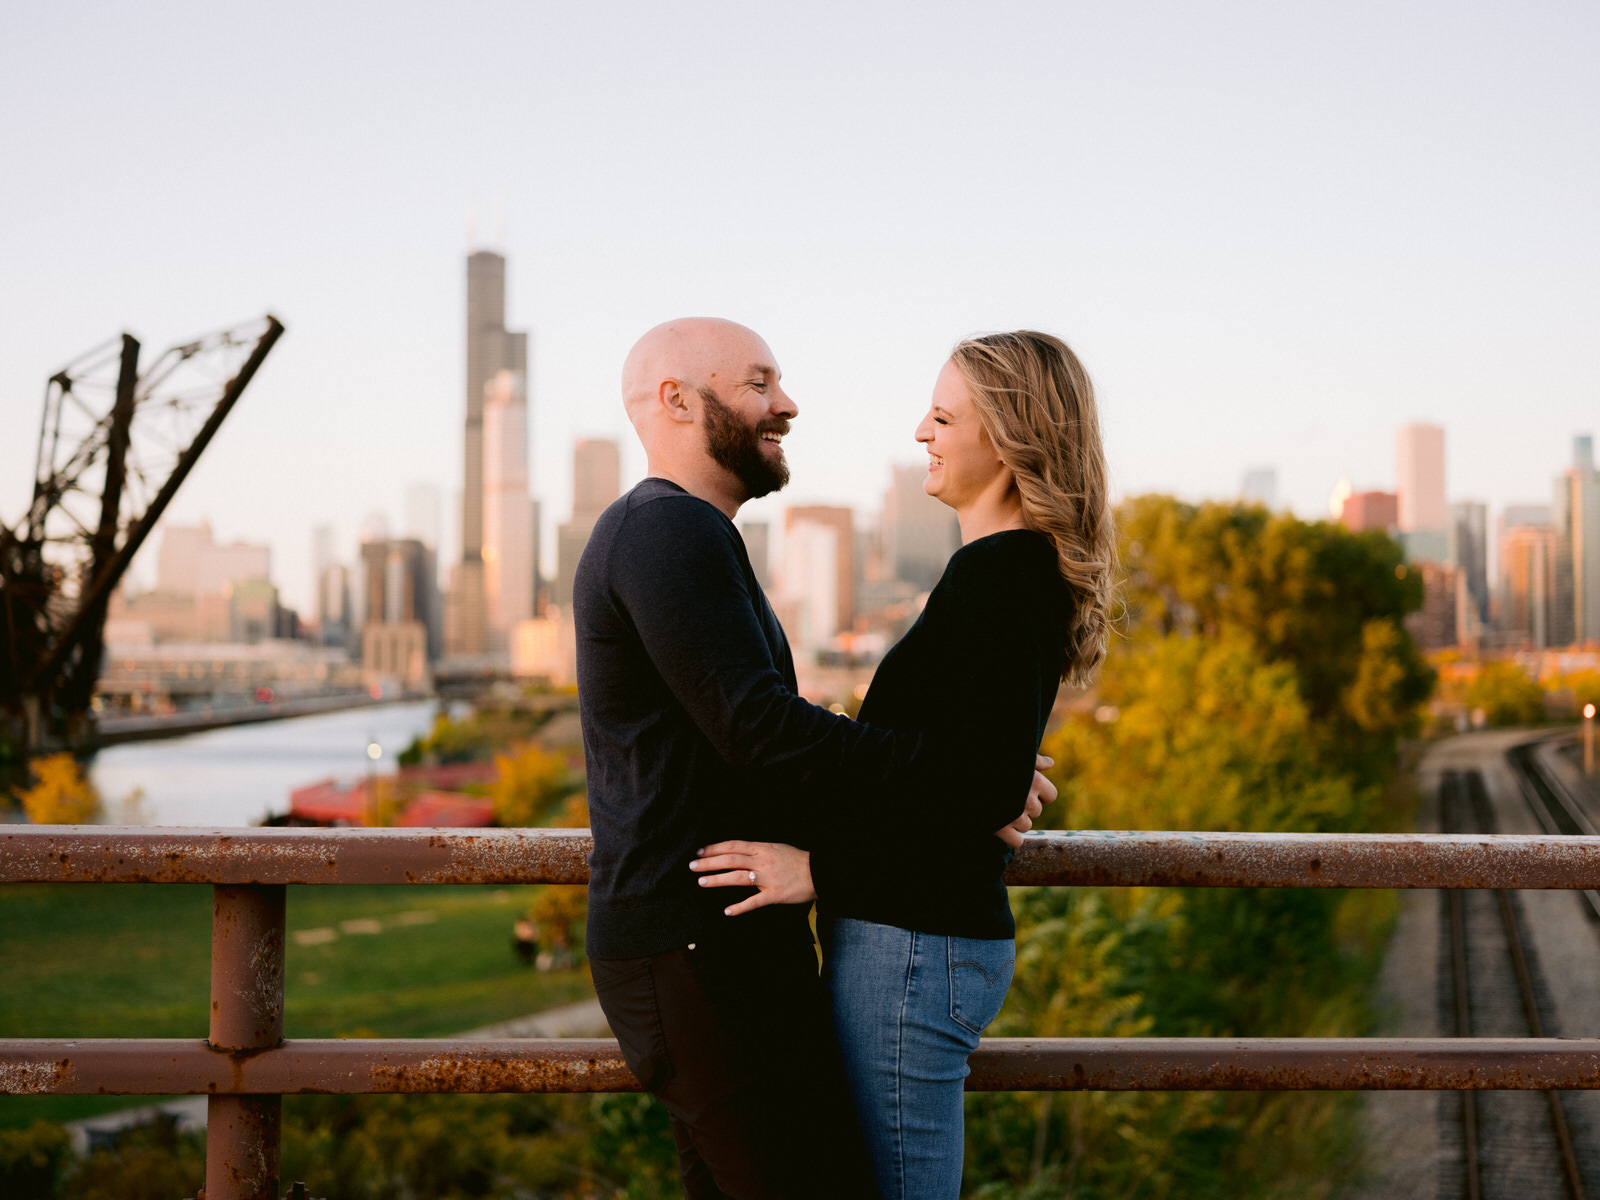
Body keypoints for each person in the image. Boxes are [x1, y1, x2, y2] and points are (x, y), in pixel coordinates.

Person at [576, 318, 1054, 1199]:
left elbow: (755, 745)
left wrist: (962, 775)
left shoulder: (688, 534)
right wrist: (960, 781)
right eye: (760, 384)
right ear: (678, 401)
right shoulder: (665, 532)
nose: (786, 404)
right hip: (695, 947)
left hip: (717, 940)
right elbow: (761, 729)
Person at [691, 331, 1115, 1200]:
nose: (922, 430)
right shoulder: (998, 571)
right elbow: (970, 772)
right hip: (913, 943)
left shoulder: (1000, 576)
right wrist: (979, 781)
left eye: (944, 414)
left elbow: (979, 783)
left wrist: (819, 869)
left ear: (1007, 434)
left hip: (915, 950)